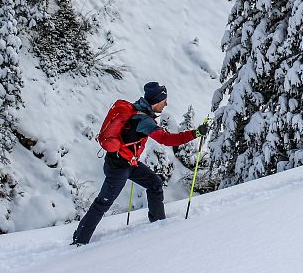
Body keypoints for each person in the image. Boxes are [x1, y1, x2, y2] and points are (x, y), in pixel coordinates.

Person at [72, 82, 209, 245]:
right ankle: (79, 240)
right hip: (119, 167)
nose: (166, 104)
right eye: (164, 100)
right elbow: (167, 139)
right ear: (156, 101)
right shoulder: (144, 120)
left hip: (127, 163)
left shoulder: (138, 110)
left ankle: (158, 223)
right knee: (103, 202)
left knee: (155, 184)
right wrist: (196, 133)